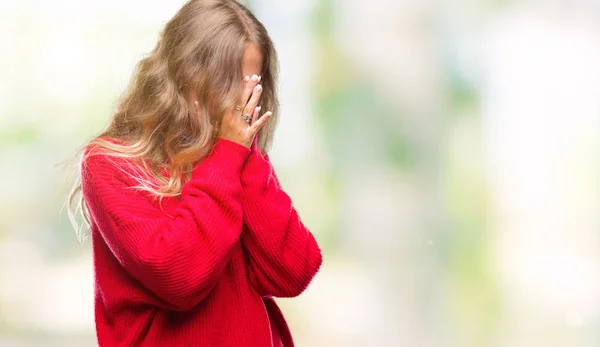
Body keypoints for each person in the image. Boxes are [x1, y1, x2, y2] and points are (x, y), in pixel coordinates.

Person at [66, 0, 322, 346]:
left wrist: (242, 158)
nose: (240, 102)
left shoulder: (237, 157)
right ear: (183, 78)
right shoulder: (109, 163)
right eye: (227, 83)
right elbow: (180, 278)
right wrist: (228, 155)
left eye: (252, 86)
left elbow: (293, 271)